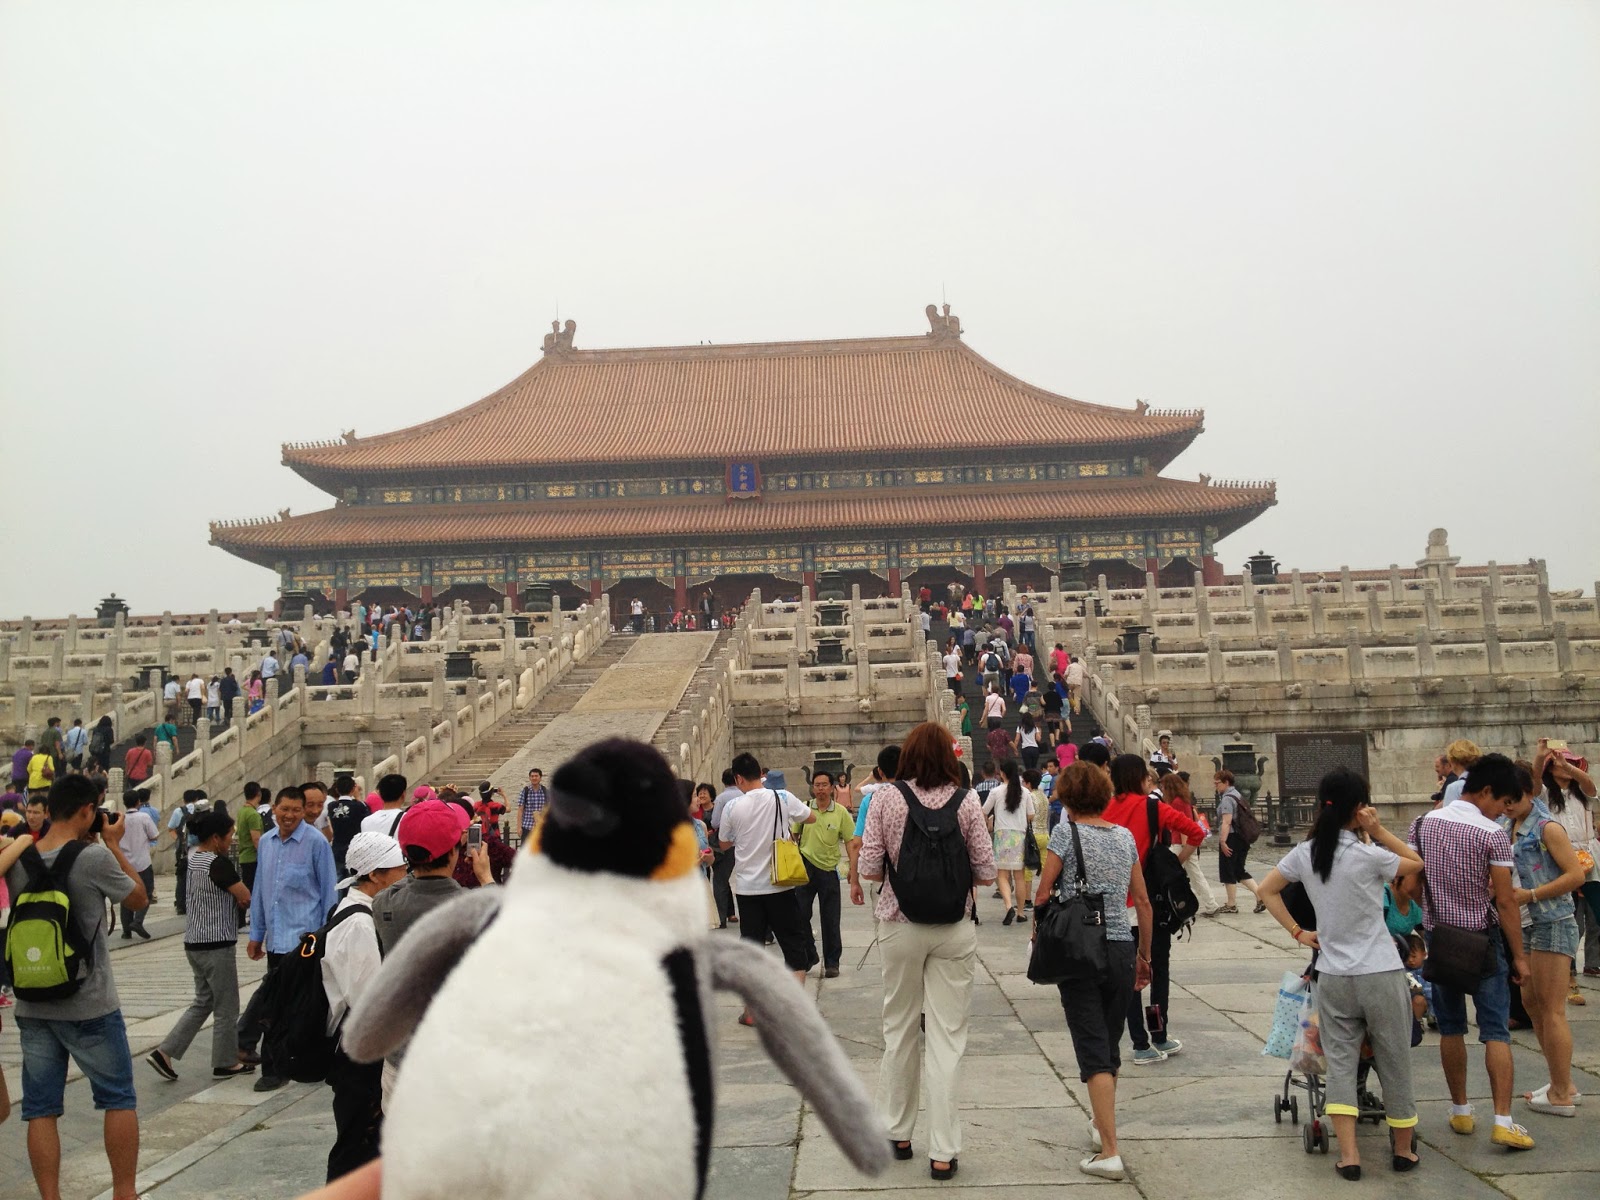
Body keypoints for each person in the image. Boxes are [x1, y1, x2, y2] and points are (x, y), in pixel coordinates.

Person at [1257, 767, 1423, 1178]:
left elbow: (1266, 889)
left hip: (1333, 973)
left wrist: (1298, 932)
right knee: (1394, 1059)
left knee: (1342, 1064)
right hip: (1380, 970)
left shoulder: (1306, 853)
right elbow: (1415, 863)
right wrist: (1379, 830)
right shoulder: (1370, 855)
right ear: (1359, 808)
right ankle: (1403, 1150)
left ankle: (1349, 1156)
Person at [859, 723, 996, 1181]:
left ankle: (896, 1132)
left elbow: (870, 867)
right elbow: (987, 870)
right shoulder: (968, 800)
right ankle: (943, 1150)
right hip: (954, 927)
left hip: (899, 924)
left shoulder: (885, 797)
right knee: (947, 1037)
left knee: (898, 1027)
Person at [4, 775, 148, 1200]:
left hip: (32, 1004)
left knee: (40, 1109)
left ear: (48, 811)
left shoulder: (18, 859)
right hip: (90, 1003)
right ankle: (124, 1193)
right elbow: (137, 899)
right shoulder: (93, 858)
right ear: (88, 810)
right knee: (118, 1098)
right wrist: (115, 844)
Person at [1408, 752, 1534, 1151]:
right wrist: (1520, 956)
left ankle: (1461, 1110)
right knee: (1495, 1029)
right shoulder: (1491, 834)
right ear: (1486, 792)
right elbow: (1505, 901)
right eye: (1503, 803)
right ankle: (1503, 1119)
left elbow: (1410, 887)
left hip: (1440, 938)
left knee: (1450, 1026)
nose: (1503, 812)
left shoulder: (1422, 824)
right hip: (1483, 940)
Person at [1032, 762, 1151, 1181]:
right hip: (1121, 946)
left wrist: (1038, 932)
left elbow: (1044, 891)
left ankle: (1111, 1152)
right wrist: (1145, 957)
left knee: (1091, 1047)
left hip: (1081, 949)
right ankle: (1102, 1129)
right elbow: (1143, 900)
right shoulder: (1125, 837)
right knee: (1109, 1040)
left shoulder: (1066, 833)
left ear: (1067, 795)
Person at [373, 797, 489, 1106]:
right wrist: (486, 877)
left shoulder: (384, 904)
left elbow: (405, 887)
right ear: (455, 851)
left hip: (402, 1059)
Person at [1105, 754, 1205, 1063]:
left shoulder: (1105, 809)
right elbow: (1197, 832)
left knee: (1128, 976)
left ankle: (1138, 1044)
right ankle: (1158, 1035)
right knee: (1156, 970)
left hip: (1116, 905)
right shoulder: (1153, 806)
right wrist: (1174, 862)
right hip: (1151, 901)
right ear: (1139, 777)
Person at [1500, 761, 1586, 1116]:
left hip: (1553, 920)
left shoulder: (1548, 828)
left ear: (1530, 793)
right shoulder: (1507, 825)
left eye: (1514, 800)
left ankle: (1562, 1093)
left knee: (1552, 1010)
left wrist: (1532, 895)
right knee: (1533, 1005)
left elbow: (1577, 875)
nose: (1507, 806)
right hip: (1526, 924)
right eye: (1503, 801)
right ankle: (1560, 1080)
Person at [240, 786, 340, 1092]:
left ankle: (295, 1061)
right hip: (276, 939)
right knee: (275, 1005)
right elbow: (261, 891)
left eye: (296, 810)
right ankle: (273, 1066)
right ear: (274, 809)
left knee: (299, 1006)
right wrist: (256, 933)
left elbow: (328, 892)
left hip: (305, 940)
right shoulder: (267, 843)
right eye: (284, 809)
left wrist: (326, 936)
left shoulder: (316, 843)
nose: (290, 816)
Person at [145, 807, 254, 1082]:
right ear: (216, 838)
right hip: (216, 943)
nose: (231, 839)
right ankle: (226, 1062)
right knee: (227, 1006)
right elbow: (244, 895)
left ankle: (165, 1052)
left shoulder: (193, 859)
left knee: (203, 1001)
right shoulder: (218, 863)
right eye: (229, 835)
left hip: (194, 941)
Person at [322, 832, 407, 1181]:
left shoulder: (357, 909)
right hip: (359, 1054)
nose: (406, 875)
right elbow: (369, 998)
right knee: (357, 1146)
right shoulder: (358, 922)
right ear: (376, 875)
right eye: (399, 869)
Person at [717, 759, 819, 1016]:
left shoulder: (732, 806)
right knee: (793, 944)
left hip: (747, 889)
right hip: (780, 885)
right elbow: (811, 817)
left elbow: (725, 842)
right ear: (759, 774)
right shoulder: (782, 797)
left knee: (751, 948)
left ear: (739, 778)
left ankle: (751, 1011)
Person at [795, 769, 855, 979]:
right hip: (804, 868)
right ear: (812, 787)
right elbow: (794, 835)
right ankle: (809, 955)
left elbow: (850, 842)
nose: (820, 789)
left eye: (824, 785)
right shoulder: (804, 809)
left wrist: (853, 870)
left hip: (829, 870)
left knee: (830, 918)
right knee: (799, 915)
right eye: (816, 785)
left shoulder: (840, 813)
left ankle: (832, 962)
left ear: (832, 788)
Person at [981, 760, 1035, 925]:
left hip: (1002, 835)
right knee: (1019, 876)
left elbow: (983, 811)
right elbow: (1031, 815)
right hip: (1019, 835)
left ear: (1002, 773)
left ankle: (1008, 906)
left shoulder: (996, 791)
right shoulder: (1025, 792)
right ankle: (1020, 912)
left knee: (1002, 875)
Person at [1161, 773, 1219, 917]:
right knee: (1195, 875)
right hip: (1185, 842)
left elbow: (1182, 826)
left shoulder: (1176, 802)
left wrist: (1186, 848)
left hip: (1180, 843)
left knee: (1171, 874)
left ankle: (1174, 905)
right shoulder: (1184, 800)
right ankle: (1210, 904)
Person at [1213, 768, 1263, 913]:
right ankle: (1260, 896)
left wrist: (1222, 842)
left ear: (1226, 782)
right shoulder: (1238, 795)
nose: (1215, 786)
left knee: (1228, 870)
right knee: (1238, 870)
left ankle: (1231, 904)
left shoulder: (1228, 798)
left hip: (1232, 837)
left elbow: (1227, 822)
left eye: (1217, 783)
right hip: (1242, 838)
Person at [116, 796, 160, 940]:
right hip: (143, 862)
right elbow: (154, 835)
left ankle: (126, 930)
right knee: (147, 891)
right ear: (138, 802)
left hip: (125, 863)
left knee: (126, 894)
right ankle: (138, 921)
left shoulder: (119, 819)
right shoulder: (144, 817)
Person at [324, 775, 368, 875]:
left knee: (338, 880)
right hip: (354, 848)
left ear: (336, 789)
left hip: (337, 847)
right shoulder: (358, 806)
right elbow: (367, 817)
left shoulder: (331, 806)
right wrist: (358, 797)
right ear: (353, 789)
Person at [516, 768, 548, 845]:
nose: (534, 778)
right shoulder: (525, 791)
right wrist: (519, 827)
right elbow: (520, 810)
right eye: (532, 776)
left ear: (540, 777)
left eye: (536, 776)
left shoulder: (545, 791)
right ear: (529, 778)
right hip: (527, 826)